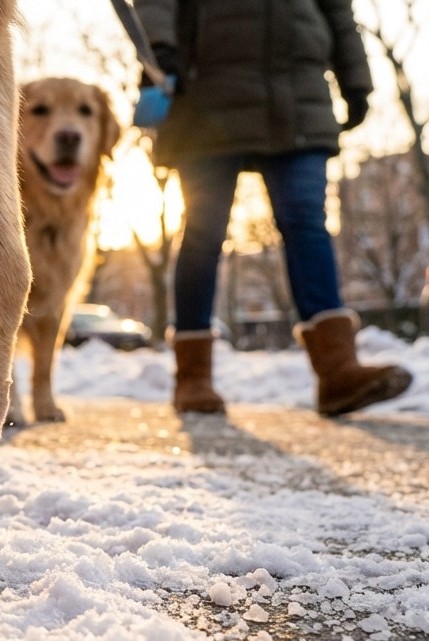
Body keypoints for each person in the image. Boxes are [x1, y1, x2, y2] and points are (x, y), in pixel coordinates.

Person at [133, 0, 412, 417]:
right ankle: (192, 378)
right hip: (206, 95)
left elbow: (338, 11)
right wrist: (159, 49)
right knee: (203, 233)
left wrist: (356, 79)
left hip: (296, 98)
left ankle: (338, 370)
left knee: (307, 222)